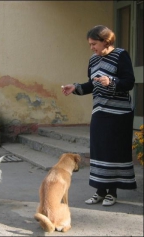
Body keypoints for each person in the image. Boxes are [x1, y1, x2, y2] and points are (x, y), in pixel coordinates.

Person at [61, 25, 137, 206]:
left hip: (119, 114)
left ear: (106, 41)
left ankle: (112, 192)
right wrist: (76, 87)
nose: (92, 48)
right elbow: (92, 84)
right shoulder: (93, 60)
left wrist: (111, 81)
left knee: (113, 152)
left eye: (94, 44)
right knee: (98, 150)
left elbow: (129, 82)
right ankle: (99, 191)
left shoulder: (121, 55)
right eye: (90, 44)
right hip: (100, 111)